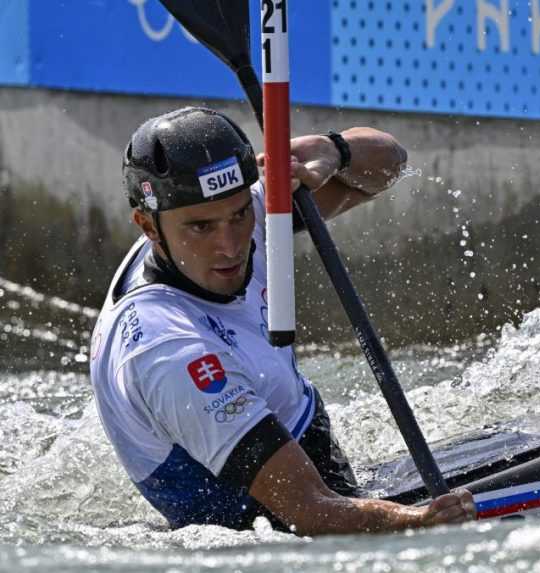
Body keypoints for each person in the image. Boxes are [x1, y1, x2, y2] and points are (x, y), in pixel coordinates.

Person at [88, 106, 475, 534]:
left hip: (303, 448)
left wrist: (334, 151)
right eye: (201, 228)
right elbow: (311, 513)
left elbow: (391, 162)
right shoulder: (167, 352)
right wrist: (423, 524)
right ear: (148, 227)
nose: (231, 245)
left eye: (239, 215)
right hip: (264, 526)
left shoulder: (235, 210)